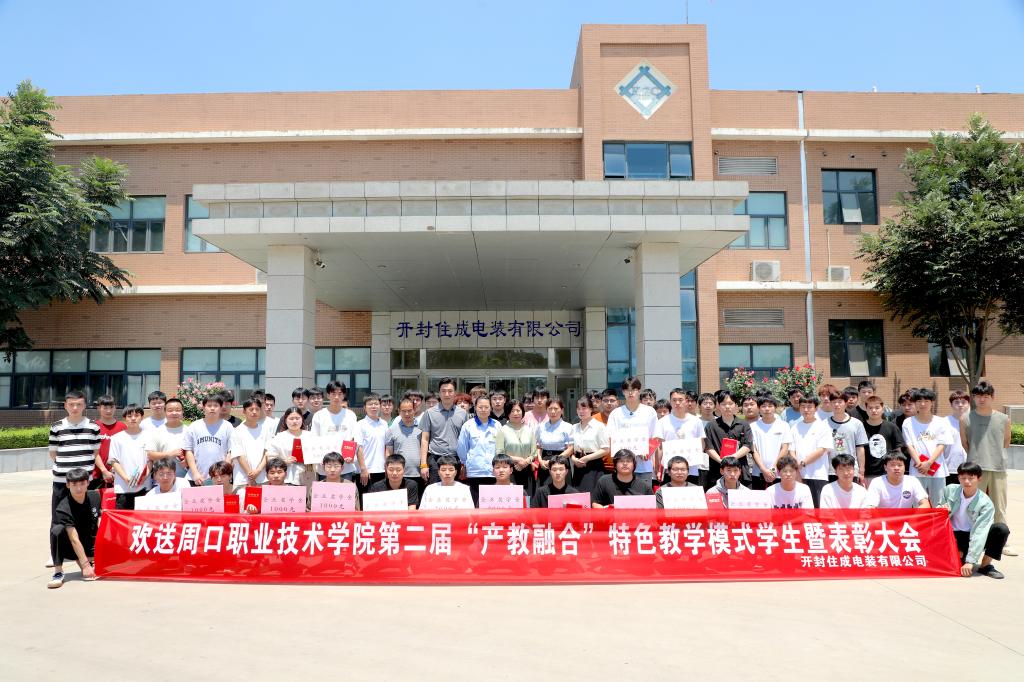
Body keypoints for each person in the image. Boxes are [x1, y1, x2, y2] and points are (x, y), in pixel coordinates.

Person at [47, 390, 101, 566]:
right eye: (71, 404)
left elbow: (95, 452)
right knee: (57, 519)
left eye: (79, 404)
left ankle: (86, 552)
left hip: (84, 484)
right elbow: (53, 454)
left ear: (84, 405)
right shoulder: (56, 427)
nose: (75, 408)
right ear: (65, 406)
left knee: (86, 519)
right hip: (62, 482)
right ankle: (55, 554)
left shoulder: (93, 426)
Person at [960, 381, 1013, 553]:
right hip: (975, 470)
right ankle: (973, 540)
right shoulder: (966, 418)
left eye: (985, 396)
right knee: (974, 506)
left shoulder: (1003, 419)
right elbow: (965, 443)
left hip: (998, 467)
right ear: (973, 397)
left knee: (999, 506)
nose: (981, 400)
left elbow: (1006, 442)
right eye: (978, 396)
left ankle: (1001, 543)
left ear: (992, 397)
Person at [939, 462, 1009, 579]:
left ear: (979, 479)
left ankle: (985, 566)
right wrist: (941, 510)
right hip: (952, 535)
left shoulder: (985, 503)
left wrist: (970, 561)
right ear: (958, 478)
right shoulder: (949, 490)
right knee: (956, 561)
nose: (967, 482)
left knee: (1001, 529)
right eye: (963, 478)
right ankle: (959, 554)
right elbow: (937, 516)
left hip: (973, 535)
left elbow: (980, 532)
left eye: (971, 478)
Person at [48, 467, 101, 589]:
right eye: (74, 484)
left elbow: (99, 523)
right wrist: (85, 565)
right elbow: (73, 539)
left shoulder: (95, 496)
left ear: (88, 483)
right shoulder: (63, 507)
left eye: (82, 484)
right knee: (57, 530)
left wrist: (100, 552)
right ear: (68, 485)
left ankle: (88, 558)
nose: (79, 488)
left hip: (88, 541)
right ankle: (58, 572)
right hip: (70, 546)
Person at [903, 388, 957, 505]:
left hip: (937, 469)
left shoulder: (941, 422)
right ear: (915, 403)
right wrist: (920, 464)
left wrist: (929, 463)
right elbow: (909, 445)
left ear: (932, 402)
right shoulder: (908, 423)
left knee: (939, 503)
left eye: (926, 401)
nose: (923, 404)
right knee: (918, 503)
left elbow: (942, 444)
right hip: (917, 469)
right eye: (919, 401)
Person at [606, 377, 660, 482]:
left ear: (639, 391)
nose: (630, 393)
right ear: (623, 392)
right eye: (627, 390)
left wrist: (647, 451)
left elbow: (655, 436)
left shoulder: (649, 412)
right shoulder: (616, 414)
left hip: (643, 466)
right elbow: (610, 438)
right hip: (622, 467)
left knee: (644, 492)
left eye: (634, 390)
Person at [419, 377, 469, 484]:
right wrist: (423, 464)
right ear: (439, 393)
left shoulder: (463, 413)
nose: (447, 394)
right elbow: (424, 439)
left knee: (455, 491)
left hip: (456, 459)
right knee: (435, 490)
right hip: (435, 459)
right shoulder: (429, 413)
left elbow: (466, 440)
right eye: (443, 391)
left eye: (450, 391)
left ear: (454, 393)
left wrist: (464, 463)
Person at [703, 389, 753, 490]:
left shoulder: (744, 424)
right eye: (723, 404)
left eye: (730, 403)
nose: (727, 406)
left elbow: (747, 445)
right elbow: (708, 447)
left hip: (740, 471)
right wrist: (721, 461)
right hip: (717, 471)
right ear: (718, 406)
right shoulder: (711, 426)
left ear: (736, 405)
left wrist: (732, 457)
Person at [656, 388, 706, 487]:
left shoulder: (696, 421)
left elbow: (702, 444)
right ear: (670, 401)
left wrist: (695, 455)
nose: (677, 403)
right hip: (670, 470)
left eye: (680, 400)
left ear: (686, 401)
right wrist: (658, 469)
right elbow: (660, 448)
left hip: (691, 469)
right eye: (674, 400)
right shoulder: (662, 422)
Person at [789, 395, 832, 506]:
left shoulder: (823, 426)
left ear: (816, 408)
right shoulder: (794, 428)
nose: (806, 410)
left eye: (809, 407)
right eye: (803, 406)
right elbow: (791, 450)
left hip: (818, 474)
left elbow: (821, 450)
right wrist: (797, 468)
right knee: (801, 506)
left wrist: (803, 463)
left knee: (818, 506)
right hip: (799, 474)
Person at [456, 394, 500, 503]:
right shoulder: (468, 425)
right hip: (474, 471)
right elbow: (462, 447)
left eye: (486, 407)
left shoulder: (497, 425)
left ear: (491, 408)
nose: (483, 410)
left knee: (491, 504)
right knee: (475, 503)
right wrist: (464, 463)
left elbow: (501, 448)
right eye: (480, 407)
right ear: (475, 408)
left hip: (493, 472)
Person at [311, 380, 359, 480]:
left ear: (344, 395)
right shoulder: (319, 415)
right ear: (328, 395)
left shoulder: (350, 415)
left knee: (345, 490)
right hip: (325, 466)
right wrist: (318, 458)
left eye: (340, 394)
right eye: (333, 394)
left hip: (345, 465)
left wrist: (352, 456)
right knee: (325, 490)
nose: (336, 397)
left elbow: (355, 438)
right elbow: (314, 439)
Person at [107, 404, 152, 509]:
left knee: (142, 517)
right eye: (129, 416)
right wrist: (126, 478)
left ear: (142, 417)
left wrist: (144, 477)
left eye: (136, 415)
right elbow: (114, 461)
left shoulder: (149, 436)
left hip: (144, 486)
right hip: (123, 487)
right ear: (124, 418)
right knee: (123, 516)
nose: (133, 418)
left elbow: (151, 460)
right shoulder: (117, 438)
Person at [182, 394, 233, 485]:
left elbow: (231, 451)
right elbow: (188, 451)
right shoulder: (194, 426)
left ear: (221, 407)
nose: (212, 408)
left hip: (220, 478)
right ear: (203, 407)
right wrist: (195, 473)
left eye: (216, 405)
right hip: (197, 477)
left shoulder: (227, 426)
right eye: (209, 405)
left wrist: (223, 472)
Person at [266, 407, 319, 486]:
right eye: (291, 419)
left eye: (297, 418)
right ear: (285, 420)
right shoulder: (279, 437)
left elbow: (318, 455)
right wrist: (284, 461)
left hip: (307, 476)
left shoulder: (310, 436)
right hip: (287, 478)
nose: (294, 421)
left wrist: (311, 460)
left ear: (302, 419)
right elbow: (270, 458)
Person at [495, 399, 537, 496]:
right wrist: (517, 460)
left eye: (518, 410)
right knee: (512, 499)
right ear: (508, 413)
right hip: (510, 471)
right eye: (512, 411)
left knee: (527, 500)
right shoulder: (502, 430)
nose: (516, 413)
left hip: (527, 470)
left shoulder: (529, 430)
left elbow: (534, 453)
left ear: (522, 412)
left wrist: (526, 461)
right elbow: (499, 453)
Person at [385, 398, 426, 498]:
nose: (407, 414)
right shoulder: (392, 429)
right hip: (398, 475)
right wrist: (388, 469)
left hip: (419, 474)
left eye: (409, 410)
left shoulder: (422, 428)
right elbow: (388, 452)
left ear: (414, 410)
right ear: (399, 411)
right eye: (404, 411)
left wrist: (424, 466)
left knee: (416, 503)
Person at [750, 395, 792, 490]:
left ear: (775, 407)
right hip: (758, 472)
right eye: (763, 406)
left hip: (779, 472)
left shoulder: (784, 425)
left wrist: (773, 468)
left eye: (770, 406)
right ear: (759, 409)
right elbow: (753, 450)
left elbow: (785, 448)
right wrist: (763, 469)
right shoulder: (753, 426)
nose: (767, 409)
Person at [826, 390, 868, 483]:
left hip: (851, 469)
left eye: (840, 402)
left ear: (845, 403)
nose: (837, 404)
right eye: (834, 402)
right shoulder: (824, 424)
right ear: (830, 404)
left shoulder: (856, 424)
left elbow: (860, 448)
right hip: (830, 470)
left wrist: (861, 470)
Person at [569, 395, 608, 493]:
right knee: (577, 495)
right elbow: (571, 448)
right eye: (578, 409)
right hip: (578, 465)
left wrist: (587, 458)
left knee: (592, 496)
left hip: (594, 465)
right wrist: (573, 459)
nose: (581, 411)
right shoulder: (574, 427)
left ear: (591, 409)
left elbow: (606, 449)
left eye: (584, 408)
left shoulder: (599, 426)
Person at [228, 397, 268, 494]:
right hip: (243, 479)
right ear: (244, 411)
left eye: (257, 409)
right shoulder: (237, 431)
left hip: (262, 478)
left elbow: (267, 452)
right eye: (251, 409)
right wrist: (250, 474)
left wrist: (258, 471)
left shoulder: (265, 430)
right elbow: (238, 455)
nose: (254, 412)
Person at [866, 452, 930, 509]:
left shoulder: (912, 481)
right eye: (892, 465)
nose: (896, 468)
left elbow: (925, 504)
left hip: (907, 518)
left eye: (900, 465)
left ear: (904, 467)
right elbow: (870, 506)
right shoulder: (877, 482)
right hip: (884, 518)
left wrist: (914, 516)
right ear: (885, 467)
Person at [535, 397, 574, 488]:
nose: (553, 411)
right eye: (550, 409)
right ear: (546, 410)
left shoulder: (568, 427)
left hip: (561, 461)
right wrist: (540, 461)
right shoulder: (541, 427)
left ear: (562, 410)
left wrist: (554, 461)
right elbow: (538, 447)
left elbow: (570, 448)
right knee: (544, 490)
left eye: (556, 409)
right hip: (545, 462)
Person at [146, 397, 188, 478]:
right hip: (162, 479)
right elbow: (150, 455)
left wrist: (189, 460)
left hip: (185, 478)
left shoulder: (189, 431)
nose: (174, 413)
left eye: (178, 410)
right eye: (170, 410)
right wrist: (169, 454)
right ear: (165, 412)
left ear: (182, 412)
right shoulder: (157, 432)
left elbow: (197, 452)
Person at [355, 393, 388, 491]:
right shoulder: (360, 425)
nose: (373, 406)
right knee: (365, 498)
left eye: (376, 404)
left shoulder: (384, 424)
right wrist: (363, 469)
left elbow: (386, 446)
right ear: (364, 408)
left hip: (381, 469)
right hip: (366, 471)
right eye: (370, 404)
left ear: (380, 406)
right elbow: (358, 448)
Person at [91, 394, 125, 489]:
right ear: (99, 408)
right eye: (105, 408)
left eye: (111, 407)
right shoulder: (93, 426)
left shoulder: (122, 427)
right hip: (96, 474)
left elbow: (124, 451)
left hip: (118, 474)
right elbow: (92, 451)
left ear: (115, 408)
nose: (109, 411)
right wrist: (104, 470)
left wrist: (114, 468)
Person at [944, 390, 971, 486]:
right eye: (956, 402)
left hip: (970, 466)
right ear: (951, 405)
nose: (960, 405)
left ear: (968, 404)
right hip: (949, 467)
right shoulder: (943, 422)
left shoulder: (973, 421)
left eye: (963, 402)